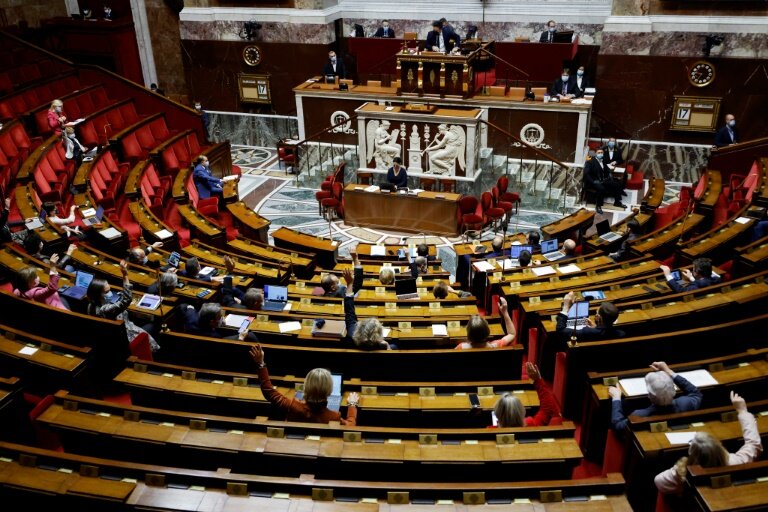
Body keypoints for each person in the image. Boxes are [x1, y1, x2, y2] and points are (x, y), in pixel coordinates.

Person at [654, 391, 762, 495]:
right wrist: (743, 411)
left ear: (692, 452)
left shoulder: (681, 474)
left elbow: (658, 481)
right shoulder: (735, 462)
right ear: (719, 447)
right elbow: (753, 444)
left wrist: (678, 468)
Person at [249, 344, 360, 425]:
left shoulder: (293, 406)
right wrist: (352, 405)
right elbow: (350, 425)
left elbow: (269, 392)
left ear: (305, 387)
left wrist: (260, 363)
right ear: (329, 391)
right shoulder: (334, 417)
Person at [86, 260, 160, 352]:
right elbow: (126, 300)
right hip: (128, 336)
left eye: (110, 290)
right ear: (98, 294)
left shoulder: (90, 305)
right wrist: (125, 275)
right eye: (106, 292)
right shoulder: (105, 310)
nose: (110, 293)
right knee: (155, 325)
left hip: (113, 336)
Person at [608, 361, 703, 431]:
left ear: (650, 396)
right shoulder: (685, 404)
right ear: (674, 390)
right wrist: (669, 371)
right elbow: (696, 393)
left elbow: (617, 425)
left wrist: (616, 398)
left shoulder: (639, 415)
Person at [342, 260, 392, 351]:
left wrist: (349, 284)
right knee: (395, 347)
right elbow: (349, 311)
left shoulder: (351, 332)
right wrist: (387, 345)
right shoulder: (381, 345)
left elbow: (349, 311)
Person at [494, 362, 561, 427]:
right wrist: (538, 380)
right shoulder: (532, 425)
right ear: (521, 411)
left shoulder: (490, 431)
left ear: (497, 414)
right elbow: (547, 409)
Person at [555, 291, 625, 341]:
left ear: (599, 317)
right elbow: (604, 332)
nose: (595, 315)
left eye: (596, 313)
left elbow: (561, 331)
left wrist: (565, 308)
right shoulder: (620, 334)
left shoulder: (587, 332)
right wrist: (596, 327)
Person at [181, 302, 257, 341]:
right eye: (220, 317)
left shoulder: (191, 316)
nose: (222, 318)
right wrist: (240, 337)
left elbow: (183, 306)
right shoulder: (213, 336)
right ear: (211, 322)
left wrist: (190, 307)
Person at [584, 148, 626, 214]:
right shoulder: (590, 162)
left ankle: (617, 202)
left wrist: (609, 175)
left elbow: (607, 169)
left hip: (603, 180)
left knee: (617, 185)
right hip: (594, 181)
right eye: (599, 153)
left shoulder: (603, 161)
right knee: (601, 189)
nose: (600, 154)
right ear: (595, 154)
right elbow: (587, 174)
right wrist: (593, 181)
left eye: (601, 153)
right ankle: (598, 206)